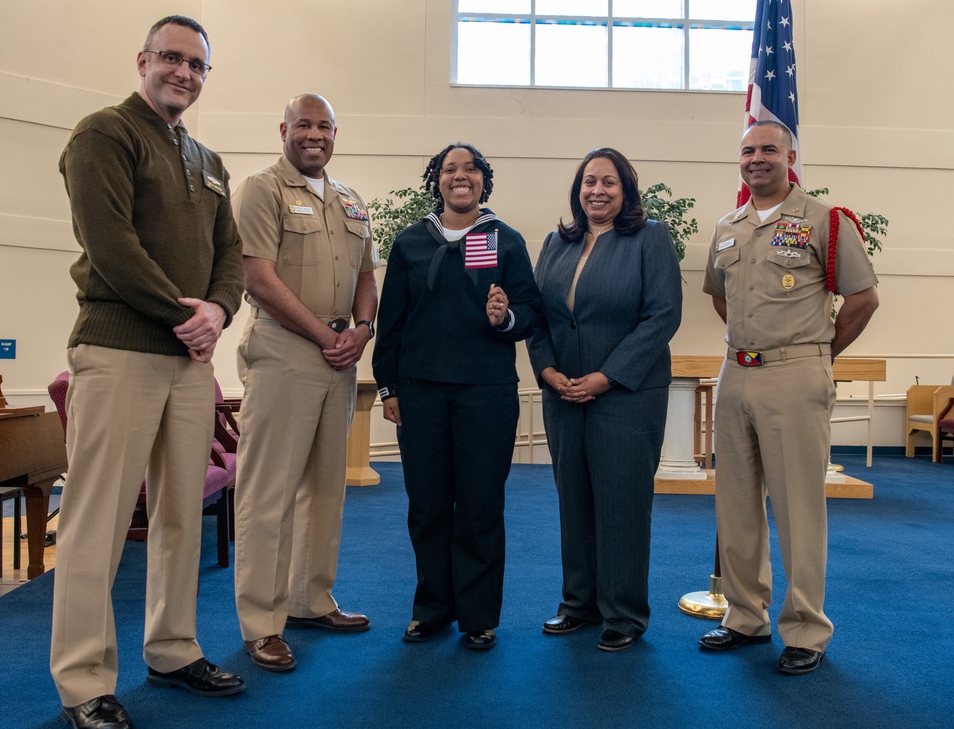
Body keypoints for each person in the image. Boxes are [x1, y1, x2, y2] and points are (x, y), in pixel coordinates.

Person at [51, 15, 245, 729]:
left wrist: (219, 313)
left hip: (190, 363)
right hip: (119, 350)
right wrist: (184, 314)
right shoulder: (104, 133)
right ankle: (83, 682)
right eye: (172, 58)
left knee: (179, 517)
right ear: (143, 60)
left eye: (197, 65)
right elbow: (110, 244)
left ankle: (171, 646)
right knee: (95, 520)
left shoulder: (210, 159)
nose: (184, 73)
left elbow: (230, 256)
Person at [698, 120, 879, 675]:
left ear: (791, 155)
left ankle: (805, 628)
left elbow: (863, 298)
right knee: (736, 504)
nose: (757, 158)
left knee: (799, 506)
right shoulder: (728, 225)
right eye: (748, 150)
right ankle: (745, 617)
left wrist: (818, 353)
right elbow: (720, 299)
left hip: (796, 375)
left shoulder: (825, 220)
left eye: (768, 149)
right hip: (736, 373)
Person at [372, 143, 541, 651]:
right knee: (426, 506)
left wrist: (504, 317)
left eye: (470, 169)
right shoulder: (410, 243)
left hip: (486, 394)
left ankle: (478, 616)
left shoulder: (505, 241)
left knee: (479, 505)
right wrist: (388, 385)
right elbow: (392, 321)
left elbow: (531, 312)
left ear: (484, 181)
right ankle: (432, 610)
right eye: (450, 169)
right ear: (437, 180)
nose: (460, 177)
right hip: (420, 394)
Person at [231, 94, 379, 673]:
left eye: (324, 126)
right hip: (285, 351)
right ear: (284, 130)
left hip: (340, 356)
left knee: (324, 488)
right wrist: (326, 332)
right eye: (303, 125)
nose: (314, 134)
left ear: (335, 133)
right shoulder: (261, 190)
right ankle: (261, 623)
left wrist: (362, 329)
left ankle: (309, 600)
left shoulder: (350, 199)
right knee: (268, 493)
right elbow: (257, 278)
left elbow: (367, 273)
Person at [526, 148, 682, 652]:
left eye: (609, 183)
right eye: (589, 182)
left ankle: (624, 613)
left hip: (626, 394)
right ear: (577, 189)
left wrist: (605, 377)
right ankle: (579, 604)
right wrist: (547, 370)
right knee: (573, 500)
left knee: (621, 504)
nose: (597, 190)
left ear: (626, 190)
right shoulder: (556, 242)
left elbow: (662, 316)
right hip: (562, 393)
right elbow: (539, 315)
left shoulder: (650, 238)